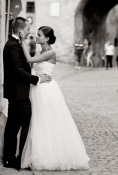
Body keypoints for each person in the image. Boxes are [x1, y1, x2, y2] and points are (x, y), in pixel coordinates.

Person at [19, 26, 90, 170]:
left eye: (39, 35)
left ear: (47, 38)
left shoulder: (51, 52)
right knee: (37, 121)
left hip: (46, 89)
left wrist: (22, 42)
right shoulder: (42, 51)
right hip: (38, 87)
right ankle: (39, 153)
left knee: (46, 120)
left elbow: (29, 59)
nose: (36, 37)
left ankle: (49, 156)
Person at [3, 17, 51, 170]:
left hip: (16, 93)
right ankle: (20, 160)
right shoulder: (13, 46)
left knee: (12, 126)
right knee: (26, 126)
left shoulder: (13, 44)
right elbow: (18, 71)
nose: (29, 31)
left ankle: (9, 159)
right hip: (20, 94)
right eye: (28, 28)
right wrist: (37, 79)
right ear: (20, 30)